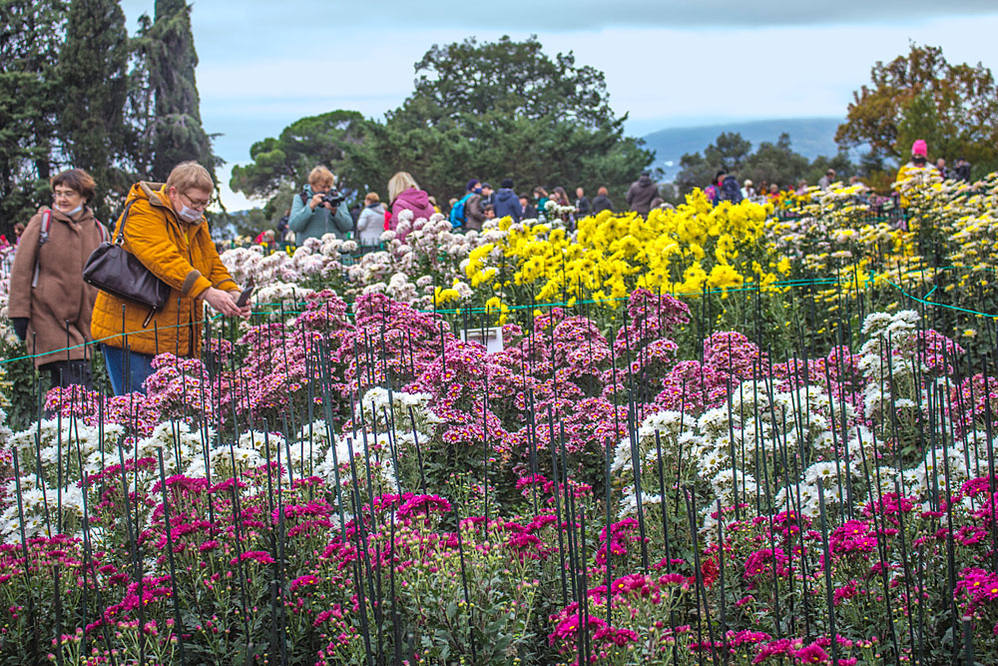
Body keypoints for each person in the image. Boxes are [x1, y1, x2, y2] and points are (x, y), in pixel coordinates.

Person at [90, 161, 249, 395]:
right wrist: (207, 292)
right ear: (173, 192)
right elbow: (164, 260)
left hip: (172, 336)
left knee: (171, 418)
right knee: (138, 414)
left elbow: (211, 263)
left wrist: (232, 292)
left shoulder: (196, 222)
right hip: (131, 334)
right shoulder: (141, 211)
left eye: (205, 203)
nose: (199, 208)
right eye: (194, 202)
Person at [9, 168, 108, 389]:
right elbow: (21, 271)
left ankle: (51, 424)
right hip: (49, 319)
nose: (62, 198)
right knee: (77, 388)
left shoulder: (98, 230)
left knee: (67, 393)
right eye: (58, 193)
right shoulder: (42, 223)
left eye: (68, 193)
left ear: (84, 196)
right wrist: (19, 315)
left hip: (85, 324)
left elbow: (106, 280)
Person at [288, 166, 353, 243]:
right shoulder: (301, 198)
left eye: (329, 187)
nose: (326, 190)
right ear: (312, 184)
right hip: (310, 251)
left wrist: (335, 212)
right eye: (323, 187)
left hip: (335, 250)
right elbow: (294, 226)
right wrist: (310, 207)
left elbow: (348, 226)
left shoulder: (337, 197)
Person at [387, 171, 435, 238]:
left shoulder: (399, 204)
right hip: (429, 245)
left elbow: (401, 232)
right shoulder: (428, 204)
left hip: (410, 246)